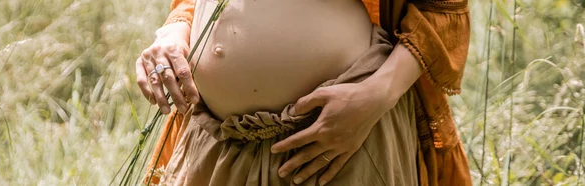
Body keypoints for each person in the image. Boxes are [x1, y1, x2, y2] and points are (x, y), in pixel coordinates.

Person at [135, 0, 472, 185]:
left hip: (338, 141)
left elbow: (442, 6)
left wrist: (378, 95)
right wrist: (175, 30)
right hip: (216, 141)